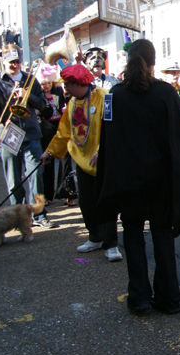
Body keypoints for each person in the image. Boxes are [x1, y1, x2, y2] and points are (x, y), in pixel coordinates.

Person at [96, 39, 180, 313]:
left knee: (132, 233)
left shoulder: (114, 94)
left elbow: (107, 142)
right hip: (160, 179)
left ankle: (139, 297)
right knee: (162, 234)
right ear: (153, 61)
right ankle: (168, 298)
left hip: (128, 179)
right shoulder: (166, 93)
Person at [40, 65, 122, 261]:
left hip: (101, 161)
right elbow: (64, 131)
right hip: (81, 160)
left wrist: (101, 150)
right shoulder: (72, 103)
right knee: (86, 201)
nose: (65, 88)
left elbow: (113, 127)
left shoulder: (104, 97)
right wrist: (49, 152)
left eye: (68, 84)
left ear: (78, 83)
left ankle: (111, 244)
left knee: (105, 202)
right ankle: (94, 237)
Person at [0, 45, 52, 227]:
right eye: (11, 62)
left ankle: (38, 215)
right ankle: (18, 217)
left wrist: (26, 95)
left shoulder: (30, 79)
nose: (15, 65)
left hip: (31, 132)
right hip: (8, 133)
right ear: (3, 61)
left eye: (17, 61)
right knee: (13, 179)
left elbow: (43, 105)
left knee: (36, 174)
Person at [37, 65, 66, 204]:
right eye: (44, 83)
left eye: (49, 83)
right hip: (45, 127)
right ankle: (47, 195)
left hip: (59, 124)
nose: (47, 86)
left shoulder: (58, 91)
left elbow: (64, 104)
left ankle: (65, 192)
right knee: (47, 161)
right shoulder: (38, 94)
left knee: (64, 160)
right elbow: (39, 111)